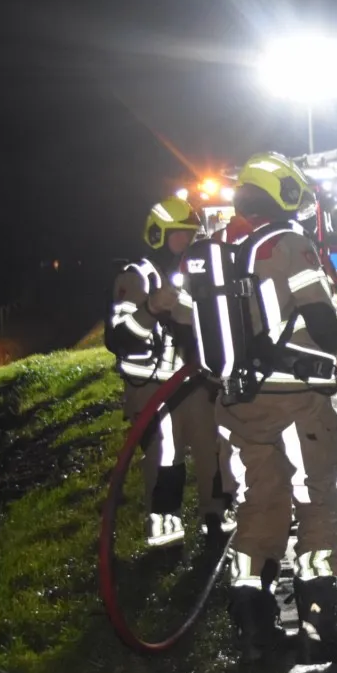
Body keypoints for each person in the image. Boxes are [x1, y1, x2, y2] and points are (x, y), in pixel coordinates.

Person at [214, 151, 337, 662]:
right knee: (318, 506)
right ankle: (321, 627)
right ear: (284, 192)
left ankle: (255, 630)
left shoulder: (226, 245)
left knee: (260, 507)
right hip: (295, 405)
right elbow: (324, 325)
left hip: (240, 403)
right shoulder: (289, 245)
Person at [106, 196, 232, 545]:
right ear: (158, 234)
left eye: (190, 235)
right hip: (150, 386)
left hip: (192, 381)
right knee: (166, 450)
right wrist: (150, 308)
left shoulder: (193, 273)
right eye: (178, 235)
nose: (185, 242)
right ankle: (162, 518)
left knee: (213, 444)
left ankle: (217, 512)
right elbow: (118, 338)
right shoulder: (135, 277)